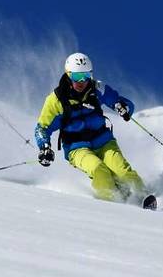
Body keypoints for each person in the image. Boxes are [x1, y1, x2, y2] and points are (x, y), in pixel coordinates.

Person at [34, 52, 147, 203]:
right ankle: (113, 202)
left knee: (122, 172)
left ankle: (144, 198)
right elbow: (42, 128)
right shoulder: (56, 100)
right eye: (76, 77)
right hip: (76, 148)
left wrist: (123, 108)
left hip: (104, 141)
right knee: (99, 169)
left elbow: (120, 102)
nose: (81, 82)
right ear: (68, 75)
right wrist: (45, 147)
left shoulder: (97, 89)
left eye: (86, 76)